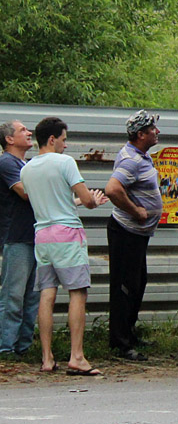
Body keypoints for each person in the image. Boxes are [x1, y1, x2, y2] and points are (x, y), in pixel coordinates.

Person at [21, 117, 105, 375]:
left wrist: (78, 203)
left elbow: (55, 202)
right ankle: (76, 356)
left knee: (46, 293)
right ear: (52, 139)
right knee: (78, 292)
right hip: (67, 234)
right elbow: (85, 199)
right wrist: (93, 200)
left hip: (42, 234)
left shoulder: (26, 169)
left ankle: (47, 358)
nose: (66, 146)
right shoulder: (65, 163)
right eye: (64, 140)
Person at [103, 110, 163, 361]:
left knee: (138, 282)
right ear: (140, 135)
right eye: (152, 130)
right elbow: (112, 189)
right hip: (126, 232)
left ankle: (128, 332)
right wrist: (136, 210)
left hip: (137, 235)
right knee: (125, 287)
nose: (157, 132)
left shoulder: (140, 156)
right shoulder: (132, 160)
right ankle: (121, 342)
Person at [0, 121, 36, 356]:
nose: (29, 132)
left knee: (32, 296)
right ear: (9, 139)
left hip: (34, 236)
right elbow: (24, 192)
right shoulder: (7, 162)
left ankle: (24, 347)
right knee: (13, 295)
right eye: (23, 130)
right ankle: (6, 348)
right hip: (16, 238)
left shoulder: (27, 163)